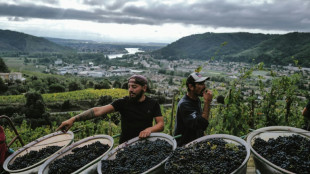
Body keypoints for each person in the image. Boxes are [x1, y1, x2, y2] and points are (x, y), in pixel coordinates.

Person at [56, 75, 164, 144]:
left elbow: (160, 125)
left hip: (145, 143)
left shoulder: (153, 104)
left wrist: (150, 130)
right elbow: (98, 111)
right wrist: (73, 119)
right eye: (129, 86)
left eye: (134, 87)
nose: (130, 90)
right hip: (125, 144)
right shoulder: (122, 103)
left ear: (144, 88)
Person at [174, 72, 213, 146]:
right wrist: (207, 102)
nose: (204, 86)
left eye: (204, 83)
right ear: (191, 86)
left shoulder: (196, 100)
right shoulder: (184, 104)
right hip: (184, 146)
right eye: (201, 84)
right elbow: (201, 124)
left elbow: (198, 122)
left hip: (194, 143)